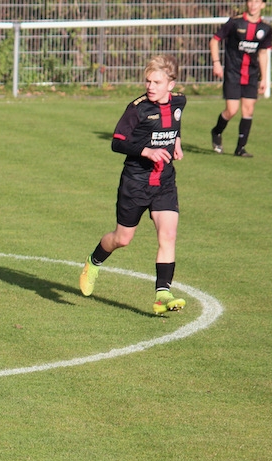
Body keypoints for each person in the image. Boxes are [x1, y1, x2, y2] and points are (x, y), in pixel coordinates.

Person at [79, 55, 187, 316]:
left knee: (168, 235)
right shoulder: (137, 109)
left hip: (164, 182)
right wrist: (146, 151)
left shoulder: (179, 102)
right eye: (148, 81)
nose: (150, 86)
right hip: (135, 182)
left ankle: (162, 295)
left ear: (170, 85)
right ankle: (93, 262)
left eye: (156, 82)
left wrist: (177, 142)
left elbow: (175, 123)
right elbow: (117, 142)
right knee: (122, 239)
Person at [209, 0, 271, 157]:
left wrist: (264, 78)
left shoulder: (265, 28)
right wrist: (216, 63)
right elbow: (214, 40)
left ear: (263, 5)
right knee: (232, 110)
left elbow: (263, 53)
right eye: (251, 1)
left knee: (248, 109)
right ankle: (216, 131)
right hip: (233, 73)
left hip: (251, 75)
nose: (253, 5)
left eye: (257, 1)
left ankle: (240, 148)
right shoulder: (235, 22)